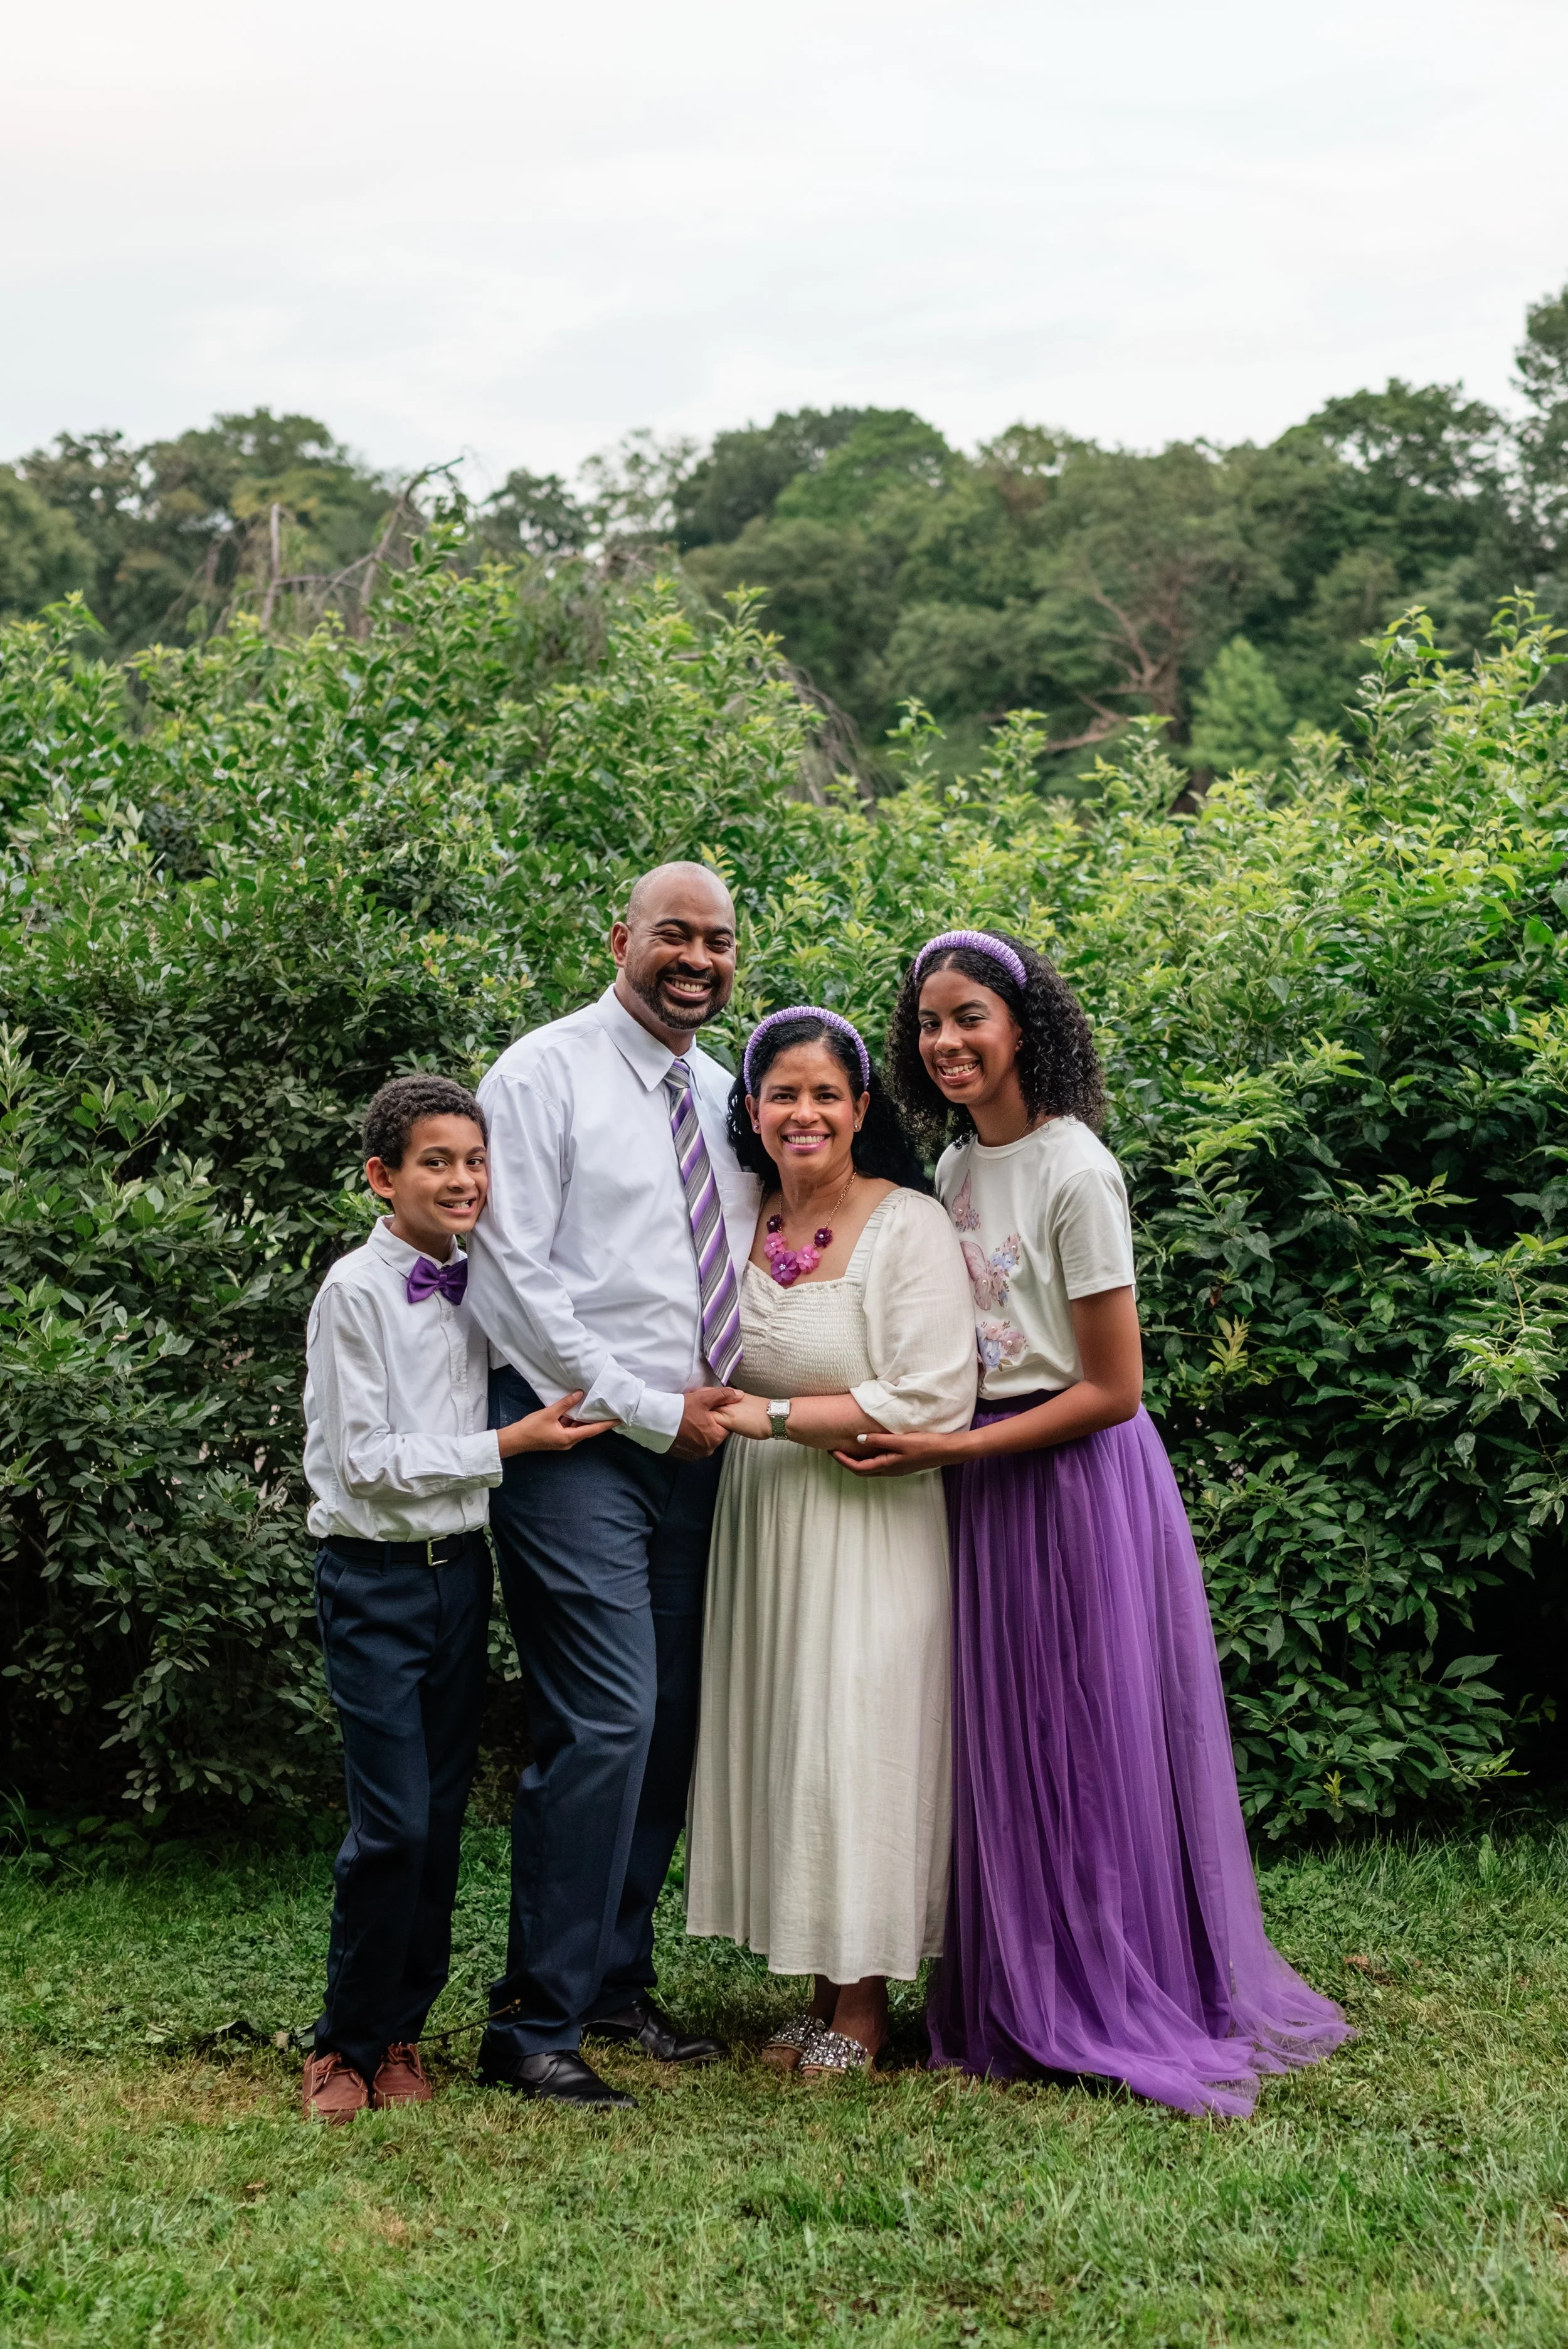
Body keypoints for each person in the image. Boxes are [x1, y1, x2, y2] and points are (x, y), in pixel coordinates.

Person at [840, 929, 1348, 2118]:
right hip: (972, 1478)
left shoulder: (1078, 1171)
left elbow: (1113, 1388)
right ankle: (1014, 1981)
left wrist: (953, 1446)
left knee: (1084, 1732)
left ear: (1026, 1026)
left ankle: (1108, 1984)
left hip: (1072, 1482)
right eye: (927, 1025)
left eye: (969, 1017)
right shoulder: (955, 1172)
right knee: (999, 1737)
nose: (947, 1042)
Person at [464, 863, 759, 2108]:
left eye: (719, 941)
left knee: (674, 1720)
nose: (696, 958)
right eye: (673, 936)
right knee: (608, 1716)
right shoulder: (540, 1076)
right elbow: (511, 1275)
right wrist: (648, 1408)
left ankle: (615, 1982)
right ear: (620, 940)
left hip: (703, 1452)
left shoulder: (726, 1089)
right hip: (577, 1439)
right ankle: (531, 2019)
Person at [300, 1074, 607, 2125]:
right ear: (384, 1178)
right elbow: (368, 1462)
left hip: (457, 1582)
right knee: (388, 1826)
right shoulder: (354, 1292)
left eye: (475, 1162)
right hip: (374, 1581)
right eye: (438, 1162)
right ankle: (336, 2043)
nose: (463, 1179)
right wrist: (508, 1446)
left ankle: (400, 2035)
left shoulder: (483, 1282)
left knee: (435, 1823)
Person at [686, 1007, 977, 2074]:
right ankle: (818, 1991)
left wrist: (761, 1418)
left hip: (870, 1513)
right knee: (797, 1745)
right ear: (751, 1111)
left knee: (859, 1740)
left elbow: (932, 1391)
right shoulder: (736, 1216)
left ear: (861, 1109)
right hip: (763, 1517)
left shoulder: (909, 1224)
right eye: (781, 1094)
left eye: (825, 1095)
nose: (802, 1113)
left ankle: (861, 2009)